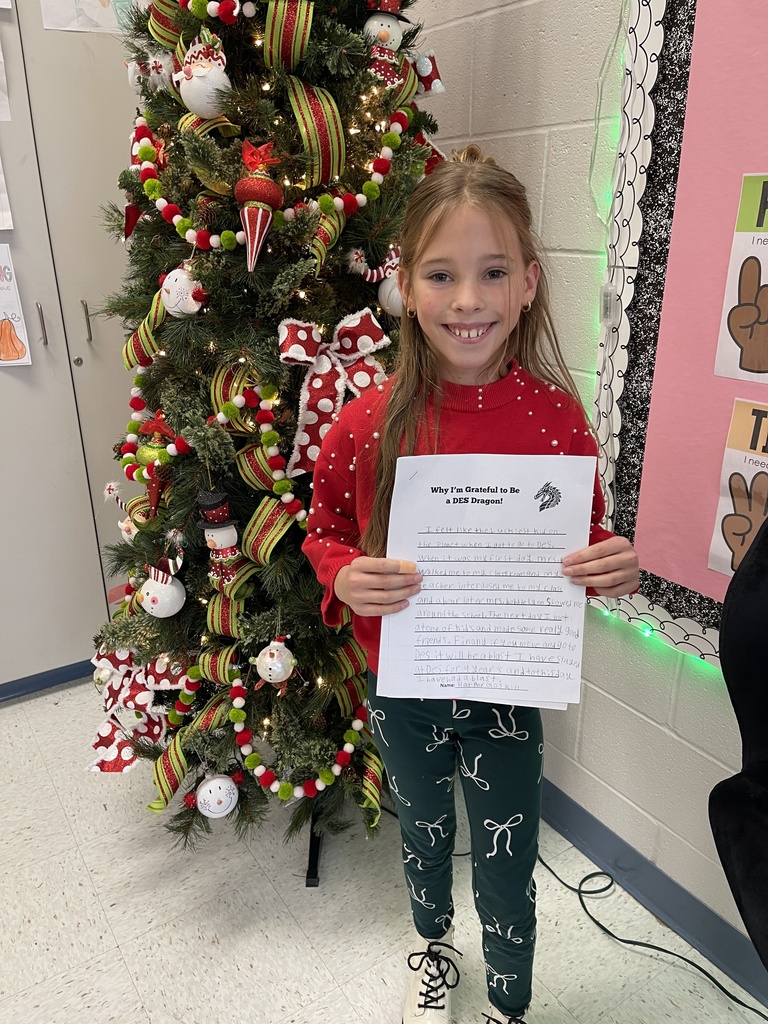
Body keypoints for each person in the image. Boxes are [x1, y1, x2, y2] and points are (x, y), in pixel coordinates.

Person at [302, 145, 639, 1024]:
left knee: (508, 851)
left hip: (504, 691)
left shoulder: (556, 417)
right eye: (442, 275)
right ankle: (435, 950)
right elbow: (324, 530)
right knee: (422, 836)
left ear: (528, 284)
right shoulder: (368, 422)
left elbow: (586, 534)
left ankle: (512, 1001)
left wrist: (610, 560)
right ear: (406, 285)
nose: (467, 301)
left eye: (492, 274)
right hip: (404, 684)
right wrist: (345, 575)